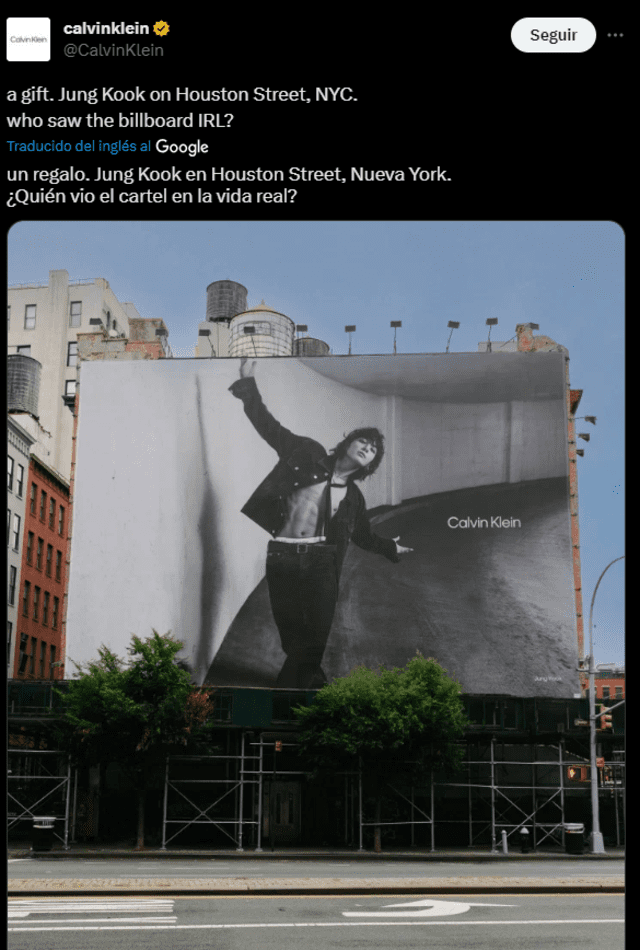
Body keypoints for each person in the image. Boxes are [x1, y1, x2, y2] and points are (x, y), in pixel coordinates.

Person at [230, 358, 413, 688]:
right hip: (282, 555)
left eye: (373, 450)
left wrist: (390, 546)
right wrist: (248, 387)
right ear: (348, 443)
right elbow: (269, 428)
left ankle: (295, 692)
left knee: (314, 637)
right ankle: (308, 684)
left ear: (370, 464)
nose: (368, 448)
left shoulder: (354, 498)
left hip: (321, 564)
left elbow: (363, 536)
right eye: (364, 442)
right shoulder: (306, 452)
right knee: (291, 637)